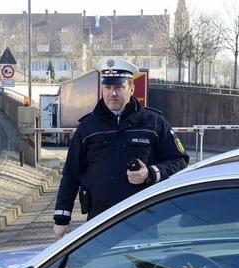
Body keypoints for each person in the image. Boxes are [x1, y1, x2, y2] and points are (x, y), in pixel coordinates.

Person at [53, 57, 189, 239]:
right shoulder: (87, 128)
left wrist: (151, 173)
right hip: (99, 220)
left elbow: (179, 160)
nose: (112, 93)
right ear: (102, 89)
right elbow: (71, 174)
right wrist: (61, 218)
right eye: (108, 87)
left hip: (142, 219)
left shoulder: (154, 122)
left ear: (131, 89)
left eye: (119, 87)